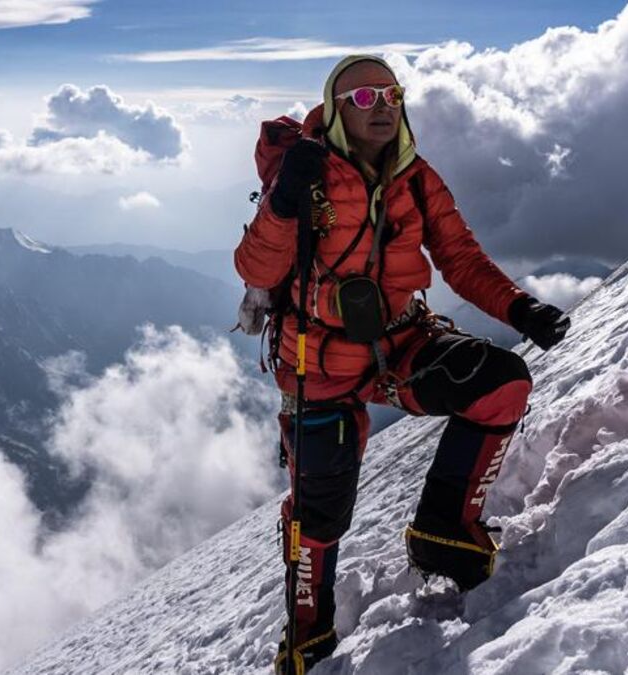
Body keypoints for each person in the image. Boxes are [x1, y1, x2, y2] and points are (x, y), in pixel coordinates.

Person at [233, 54, 570, 672]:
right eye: (363, 100)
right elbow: (258, 269)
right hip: (317, 365)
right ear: (337, 110)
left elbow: (460, 258)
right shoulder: (303, 174)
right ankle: (308, 638)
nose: (382, 106)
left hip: (397, 344)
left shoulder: (415, 176)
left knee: (500, 385)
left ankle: (443, 531)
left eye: (390, 94)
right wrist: (283, 202)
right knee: (320, 509)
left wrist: (519, 309)